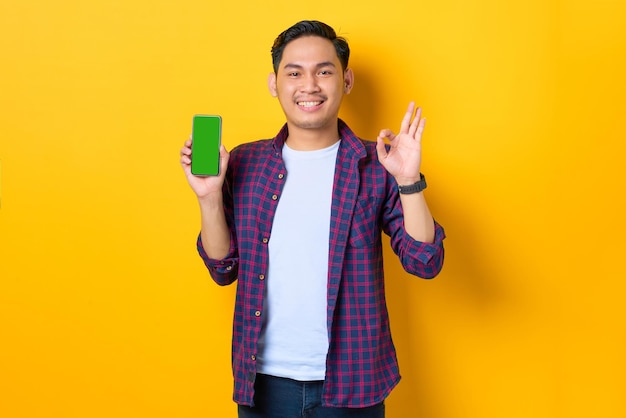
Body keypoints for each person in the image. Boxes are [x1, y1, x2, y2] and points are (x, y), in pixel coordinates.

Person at [180, 20, 445, 418]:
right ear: (274, 83)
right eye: (294, 72)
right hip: (263, 382)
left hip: (353, 384)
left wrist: (408, 181)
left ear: (347, 79)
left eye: (324, 71)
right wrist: (209, 197)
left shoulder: (377, 164)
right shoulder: (245, 162)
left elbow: (424, 261)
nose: (310, 85)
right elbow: (223, 267)